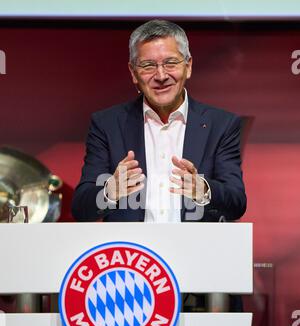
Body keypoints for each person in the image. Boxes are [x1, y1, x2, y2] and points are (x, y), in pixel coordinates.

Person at [72, 19, 246, 225]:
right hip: (133, 254)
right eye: (148, 66)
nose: (161, 75)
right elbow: (81, 209)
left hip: (197, 251)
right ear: (133, 73)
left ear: (188, 66)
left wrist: (204, 190)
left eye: (170, 63)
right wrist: (109, 191)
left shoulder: (221, 125)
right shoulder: (107, 124)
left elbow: (236, 204)